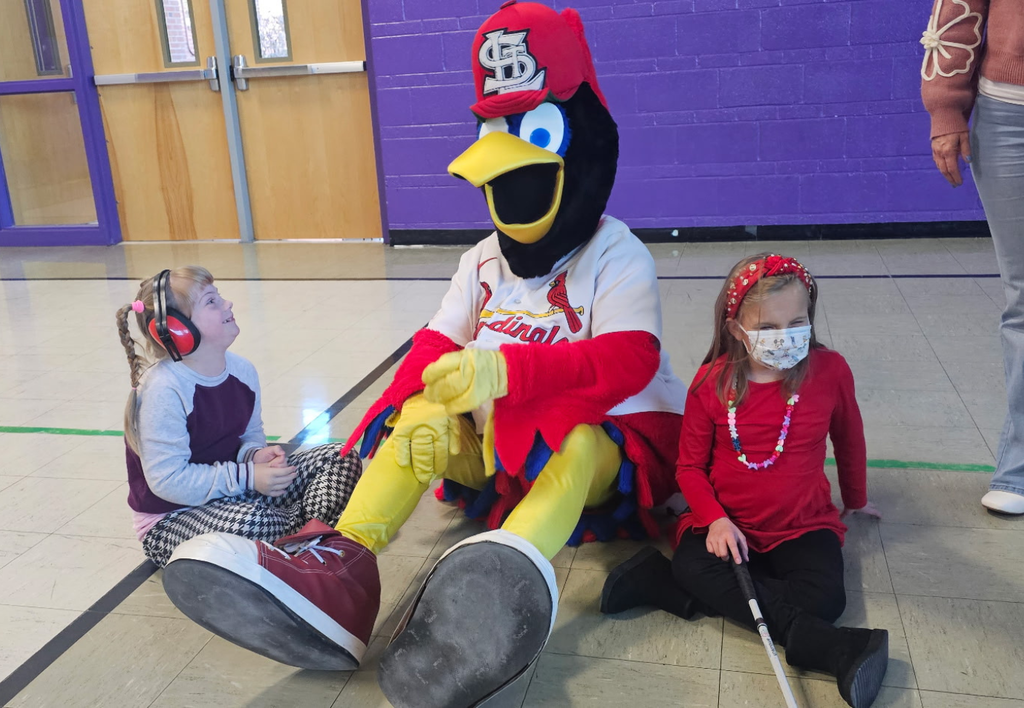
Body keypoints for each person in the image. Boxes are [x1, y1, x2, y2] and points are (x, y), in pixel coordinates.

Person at [158, 5, 686, 706]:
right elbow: (431, 349)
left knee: (581, 442)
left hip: (603, 464)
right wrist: (374, 428)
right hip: (505, 450)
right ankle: (339, 572)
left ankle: (502, 586)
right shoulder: (482, 262)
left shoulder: (617, 253)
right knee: (424, 416)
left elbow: (628, 365)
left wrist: (503, 369)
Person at [601, 254, 889, 708]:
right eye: (769, 328)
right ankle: (826, 646)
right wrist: (714, 520)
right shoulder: (711, 384)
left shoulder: (830, 371)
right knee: (695, 564)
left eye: (797, 323)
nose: (785, 337)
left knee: (827, 599)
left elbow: (849, 436)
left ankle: (657, 581)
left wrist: (855, 497)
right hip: (726, 523)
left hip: (802, 523)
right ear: (737, 330)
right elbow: (690, 469)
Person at [116, 266, 361, 568]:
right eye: (211, 301)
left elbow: (249, 435)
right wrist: (249, 476)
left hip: (237, 494)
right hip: (173, 518)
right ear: (178, 330)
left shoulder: (242, 370)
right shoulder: (163, 389)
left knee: (340, 457)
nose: (227, 304)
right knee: (255, 521)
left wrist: (255, 455)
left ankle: (297, 541)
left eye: (219, 297)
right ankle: (307, 537)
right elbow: (168, 481)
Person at [921, 0, 1024, 514]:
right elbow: (959, 9)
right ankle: (1020, 469)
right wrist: (945, 105)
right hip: (1010, 113)